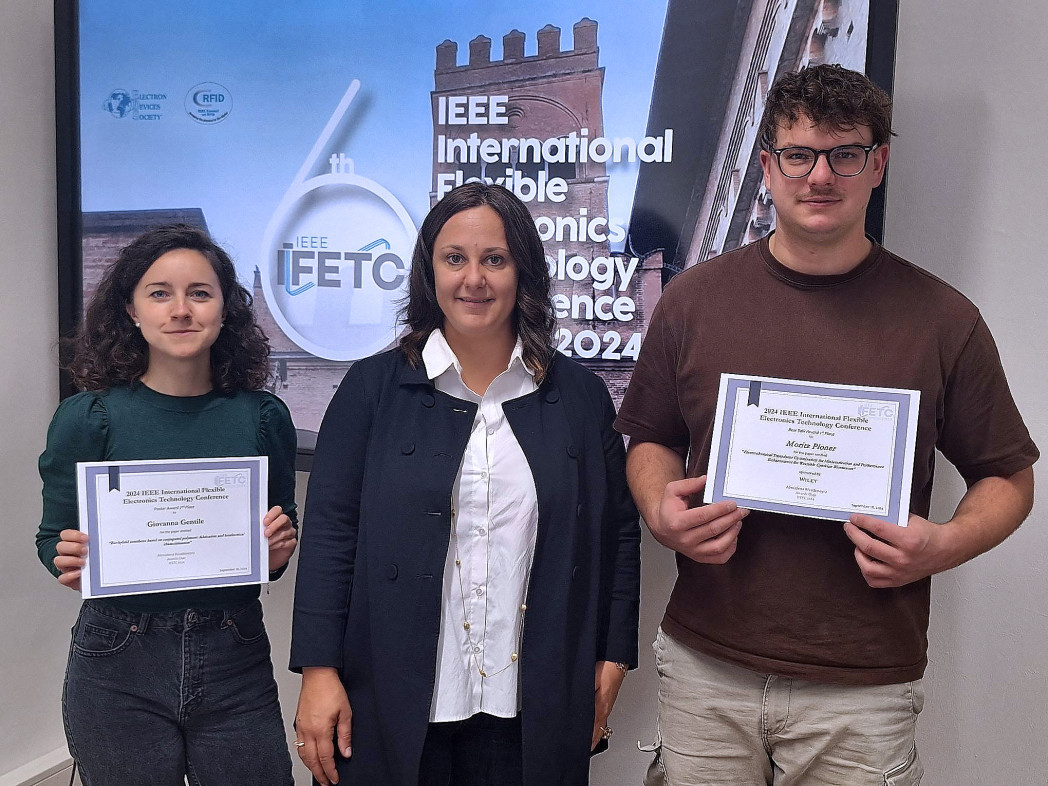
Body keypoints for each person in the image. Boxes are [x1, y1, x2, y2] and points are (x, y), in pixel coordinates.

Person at [616, 64, 1038, 786]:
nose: (820, 176)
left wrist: (943, 544)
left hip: (864, 683)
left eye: (845, 154)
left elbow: (1008, 476)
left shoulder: (944, 320)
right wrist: (659, 509)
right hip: (706, 666)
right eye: (799, 154)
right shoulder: (692, 302)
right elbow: (651, 436)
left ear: (877, 164)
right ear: (768, 167)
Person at [290, 182, 640, 786]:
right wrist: (318, 670)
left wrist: (612, 660)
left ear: (522, 271)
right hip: (396, 695)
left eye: (494, 259)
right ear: (430, 272)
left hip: (532, 702)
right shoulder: (371, 391)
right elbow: (329, 536)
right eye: (455, 259)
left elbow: (618, 537)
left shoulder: (579, 396)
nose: (473, 279)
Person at [36, 224, 299, 785]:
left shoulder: (263, 418)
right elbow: (51, 537)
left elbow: (278, 540)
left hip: (235, 653)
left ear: (225, 309)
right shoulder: (88, 418)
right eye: (160, 293)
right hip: (118, 657)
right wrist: (68, 558)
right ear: (131, 311)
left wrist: (277, 549)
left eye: (199, 293)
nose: (181, 310)